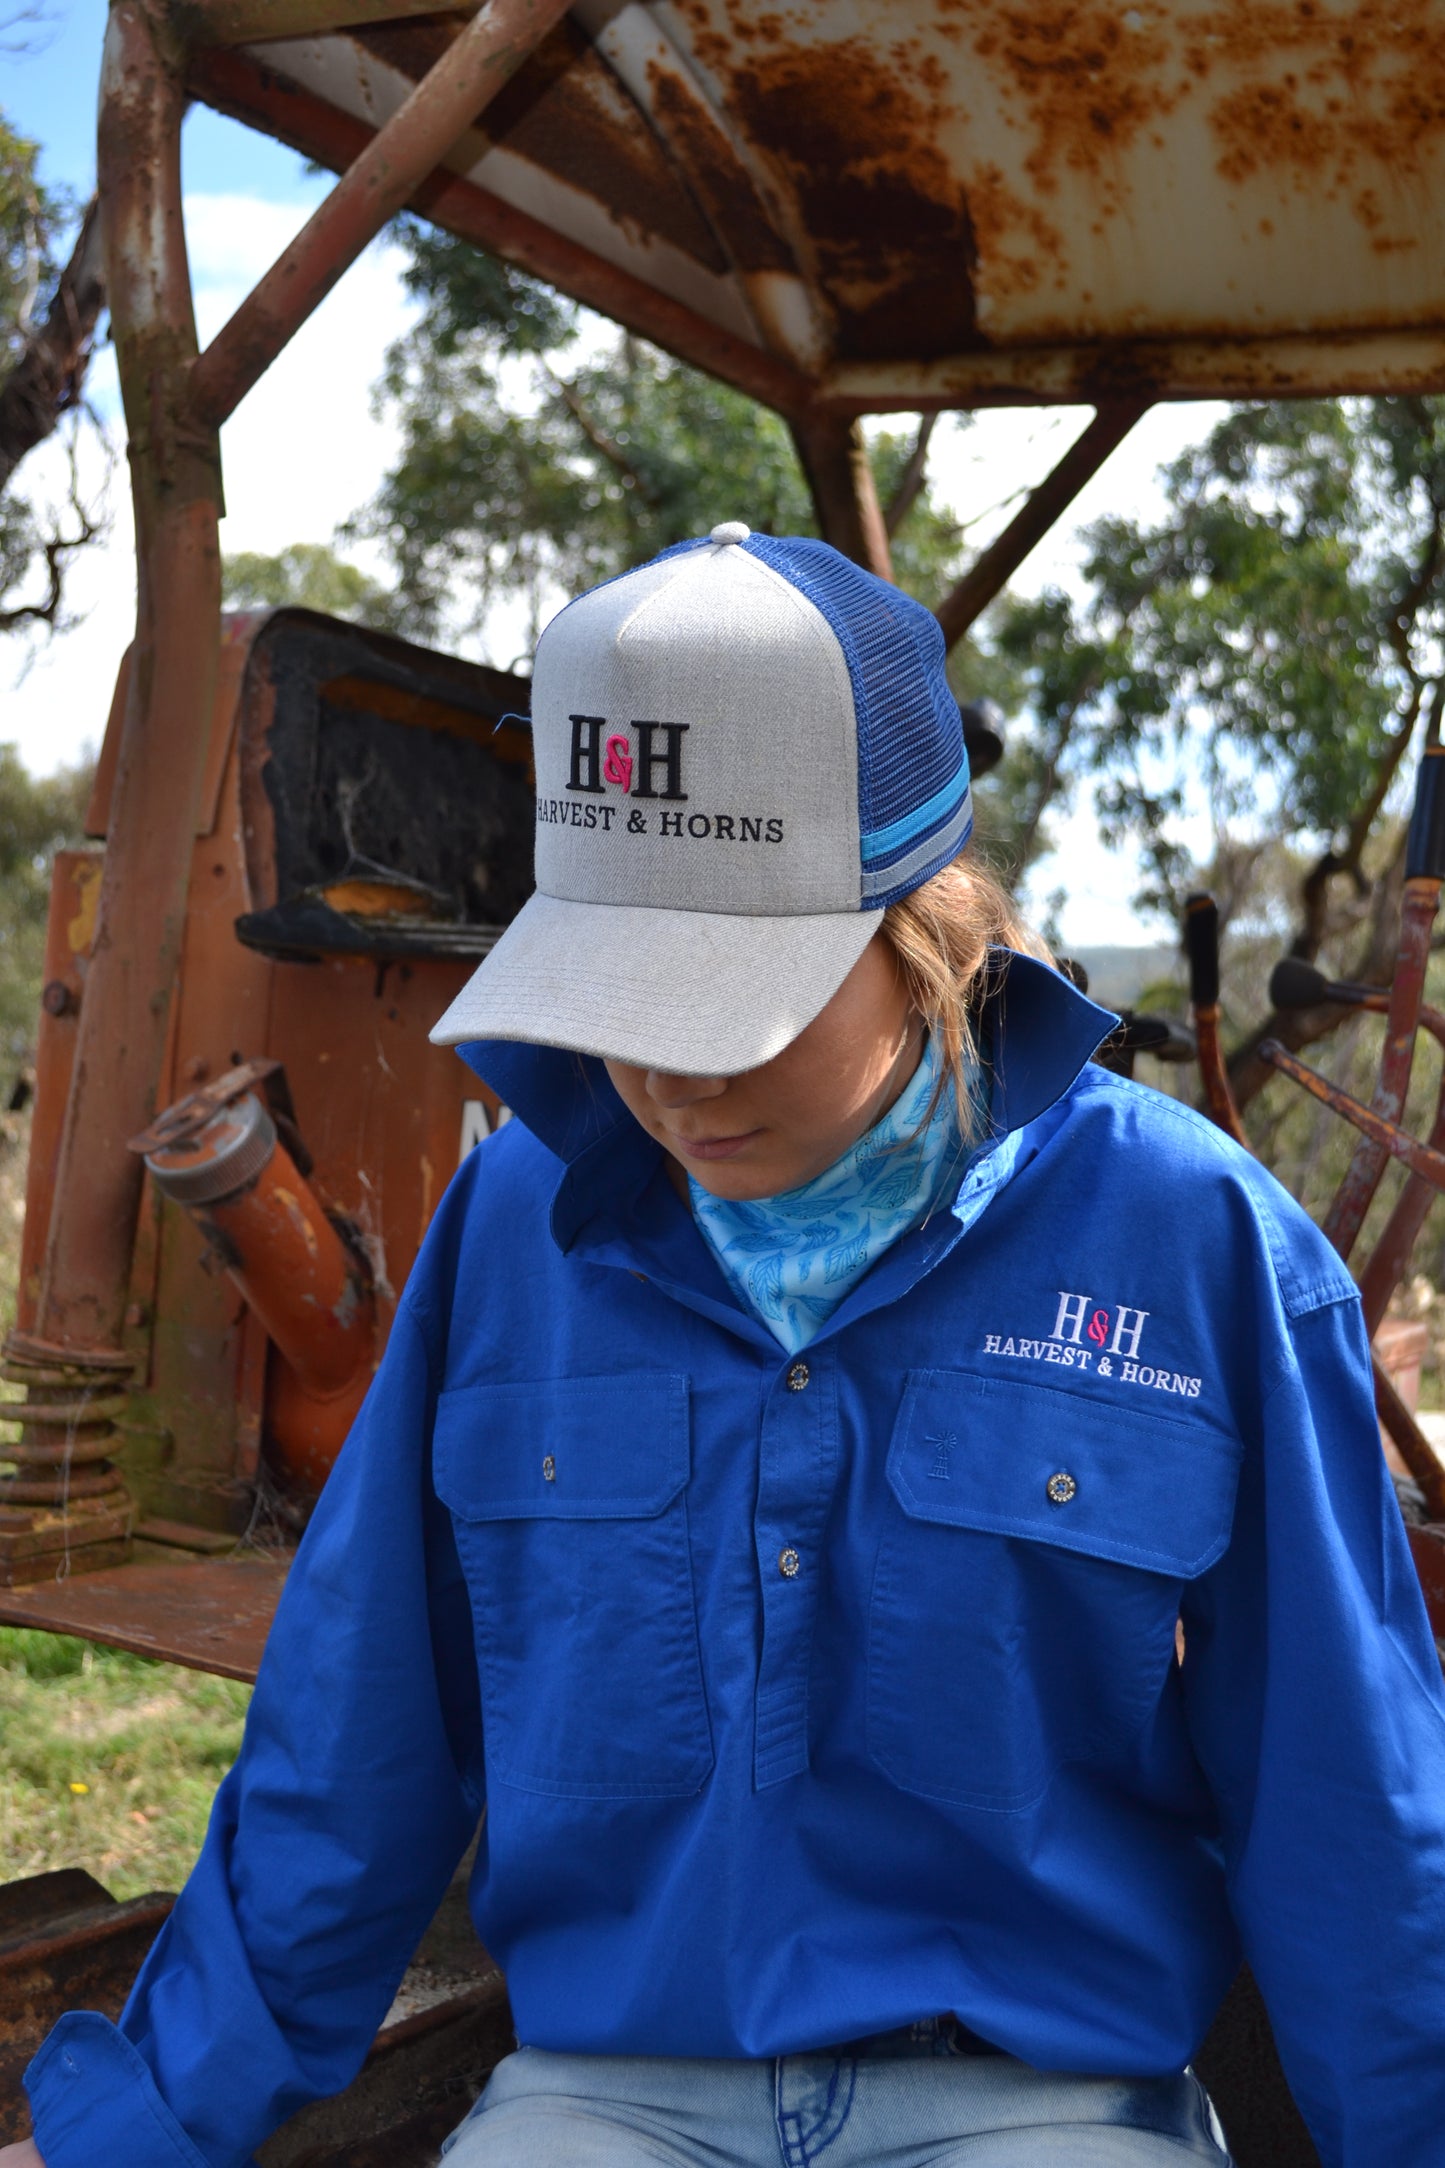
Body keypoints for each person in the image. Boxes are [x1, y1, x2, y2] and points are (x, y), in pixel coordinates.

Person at [8, 524, 1445, 2168]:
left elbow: (1350, 1801)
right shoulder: (513, 1233)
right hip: (608, 2096)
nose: (668, 1078)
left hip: (1041, 2102)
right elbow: (356, 1738)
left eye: (726, 1002)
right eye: (621, 995)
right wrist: (135, 2134)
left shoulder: (1191, 1243)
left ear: (923, 927)